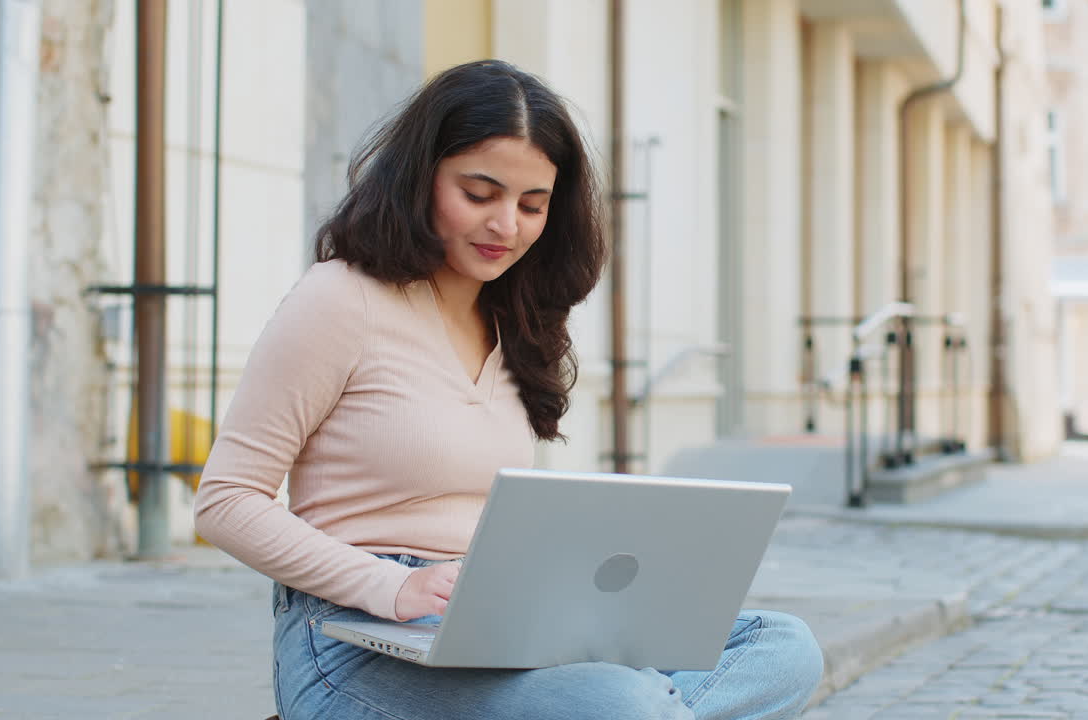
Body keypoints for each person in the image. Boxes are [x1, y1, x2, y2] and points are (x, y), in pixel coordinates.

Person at [194, 59, 823, 720]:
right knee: (618, 702)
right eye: (479, 193)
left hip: (499, 620)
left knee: (780, 647)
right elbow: (226, 500)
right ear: (422, 176)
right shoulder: (340, 300)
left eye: (532, 205)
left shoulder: (516, 319)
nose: (506, 226)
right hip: (352, 639)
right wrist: (395, 584)